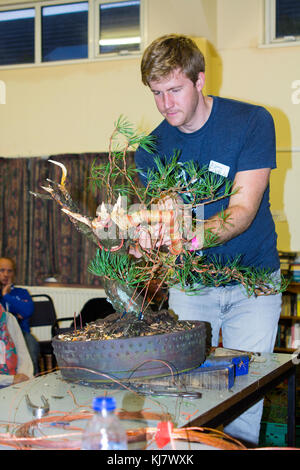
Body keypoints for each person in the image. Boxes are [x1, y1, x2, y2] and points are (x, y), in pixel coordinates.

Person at [134, 34, 282, 446]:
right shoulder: (151, 148)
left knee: (243, 399)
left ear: (200, 80)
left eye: (175, 90)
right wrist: (145, 235)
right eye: (157, 94)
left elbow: (241, 211)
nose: (166, 105)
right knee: (179, 395)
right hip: (193, 287)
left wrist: (188, 241)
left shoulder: (252, 122)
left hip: (253, 284)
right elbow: (167, 210)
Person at [0, 257, 40, 375]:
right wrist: (16, 311)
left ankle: (31, 382)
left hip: (22, 333)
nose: (6, 274)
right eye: (2, 270)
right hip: (2, 335)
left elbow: (27, 311)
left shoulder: (22, 292)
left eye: (9, 271)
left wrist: (6, 296)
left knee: (31, 348)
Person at [0, 303, 33, 387]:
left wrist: (25, 375)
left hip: (14, 381)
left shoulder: (8, 318)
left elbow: (23, 354)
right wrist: (11, 379)